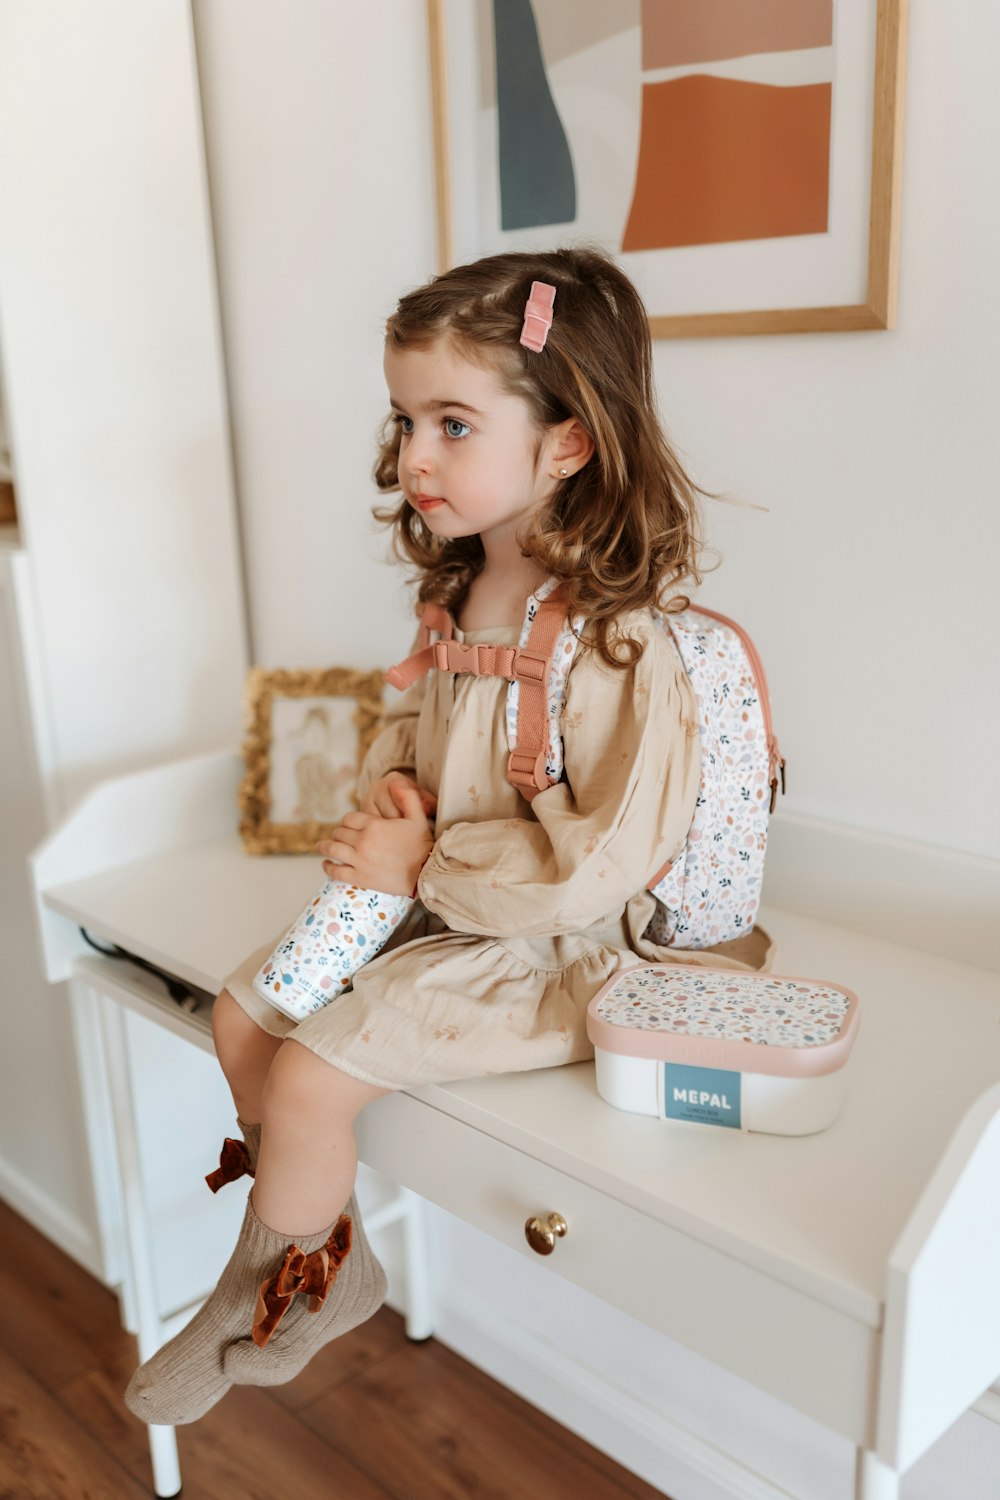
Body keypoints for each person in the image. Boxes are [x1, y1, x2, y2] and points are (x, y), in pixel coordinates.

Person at [125, 246, 769, 1426]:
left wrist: (422, 863)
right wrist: (391, 808)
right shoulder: (461, 594)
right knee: (242, 1011)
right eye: (406, 418)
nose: (415, 454)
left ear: (567, 441)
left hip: (562, 949)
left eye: (454, 423)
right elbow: (419, 738)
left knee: (312, 1080)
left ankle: (256, 1293)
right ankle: (323, 1260)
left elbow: (597, 863)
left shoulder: (620, 644)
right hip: (440, 907)